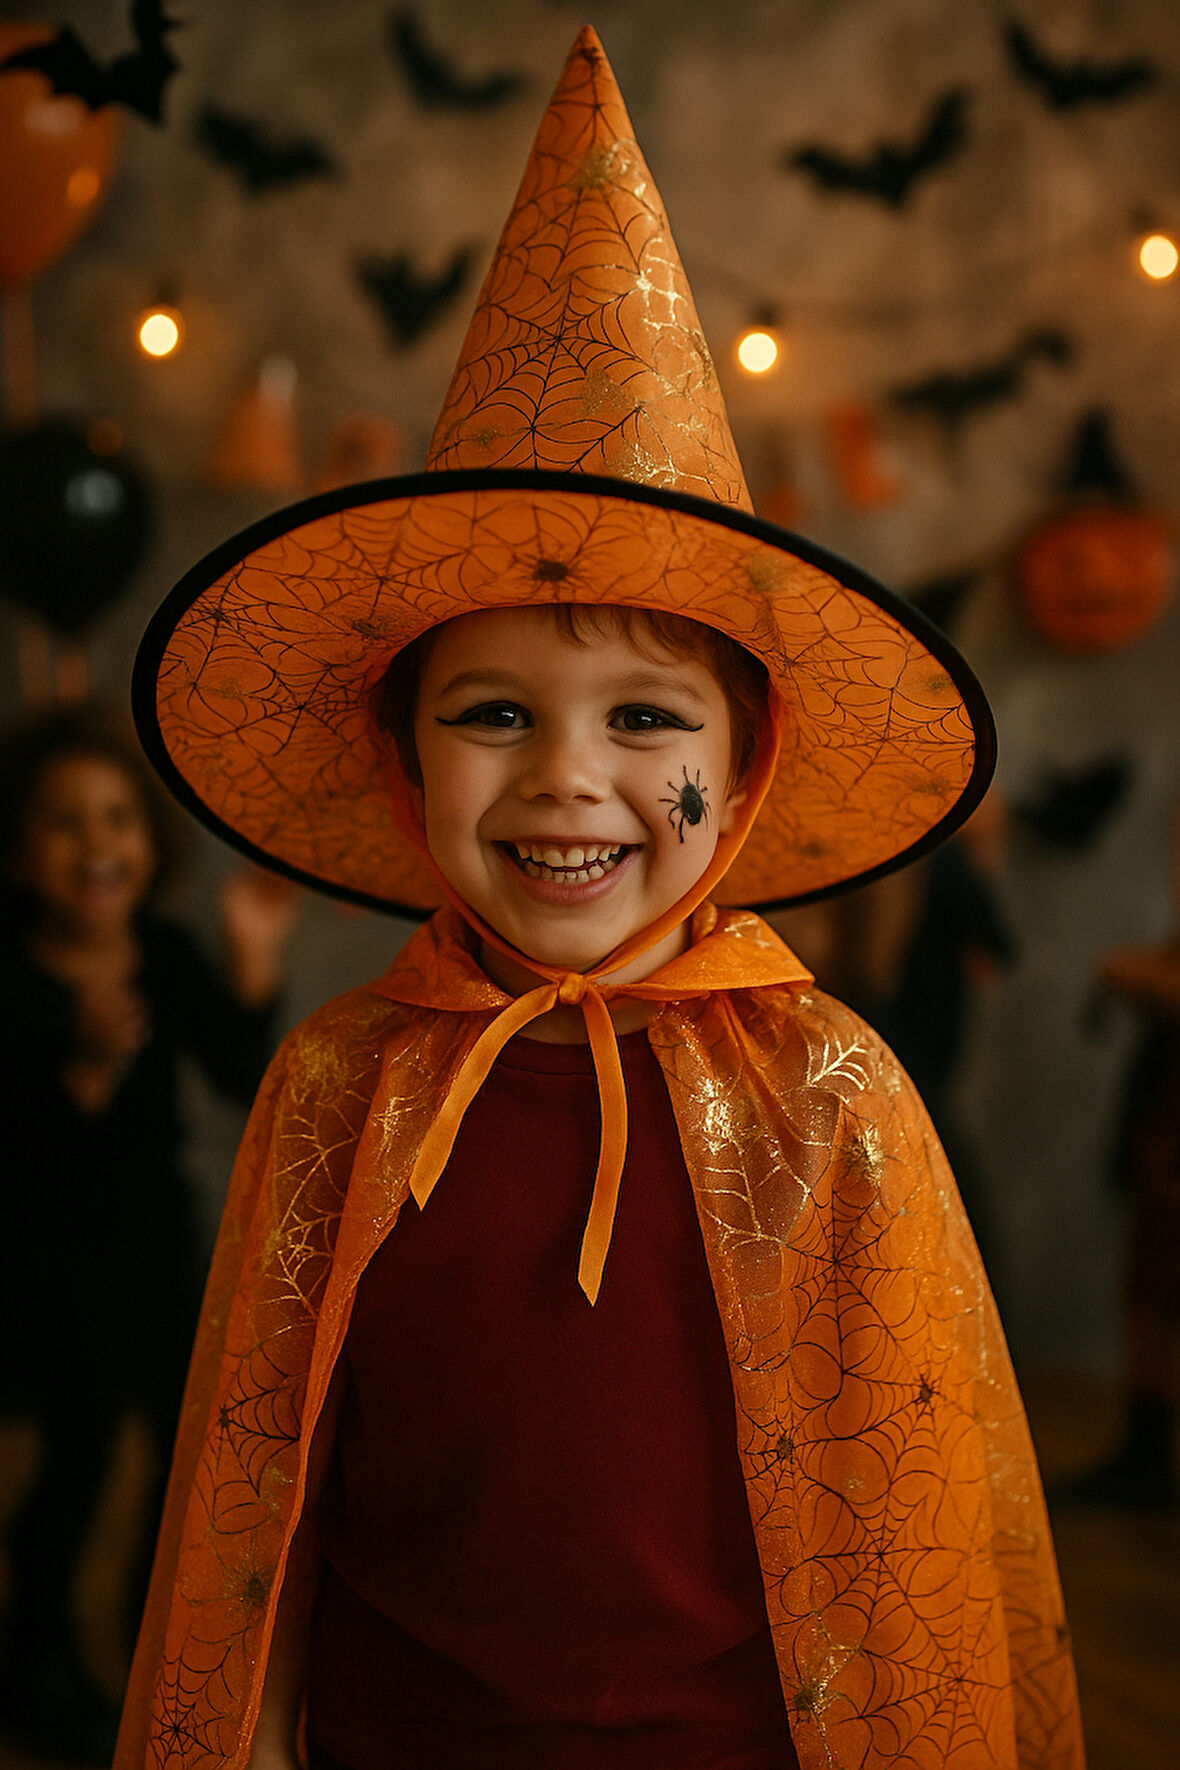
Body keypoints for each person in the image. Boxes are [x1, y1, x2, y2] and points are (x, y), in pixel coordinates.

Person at [116, 29, 1085, 1770]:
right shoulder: (337, 1086)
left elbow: (909, 1544)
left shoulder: (836, 1100)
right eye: (495, 715)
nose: (570, 780)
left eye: (646, 719)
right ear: (406, 762)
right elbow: (254, 1499)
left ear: (750, 764)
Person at [0, 705, 297, 1764]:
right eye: (63, 824)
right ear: (15, 851)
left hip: (157, 1251)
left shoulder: (163, 953)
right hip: (45, 1265)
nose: (96, 845)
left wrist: (250, 959)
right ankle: (36, 1663)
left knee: (184, 1465)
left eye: (117, 819)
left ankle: (149, 1656)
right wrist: (77, 1069)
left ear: (147, 843)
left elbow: (231, 1068)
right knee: (75, 1466)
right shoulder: (15, 981)